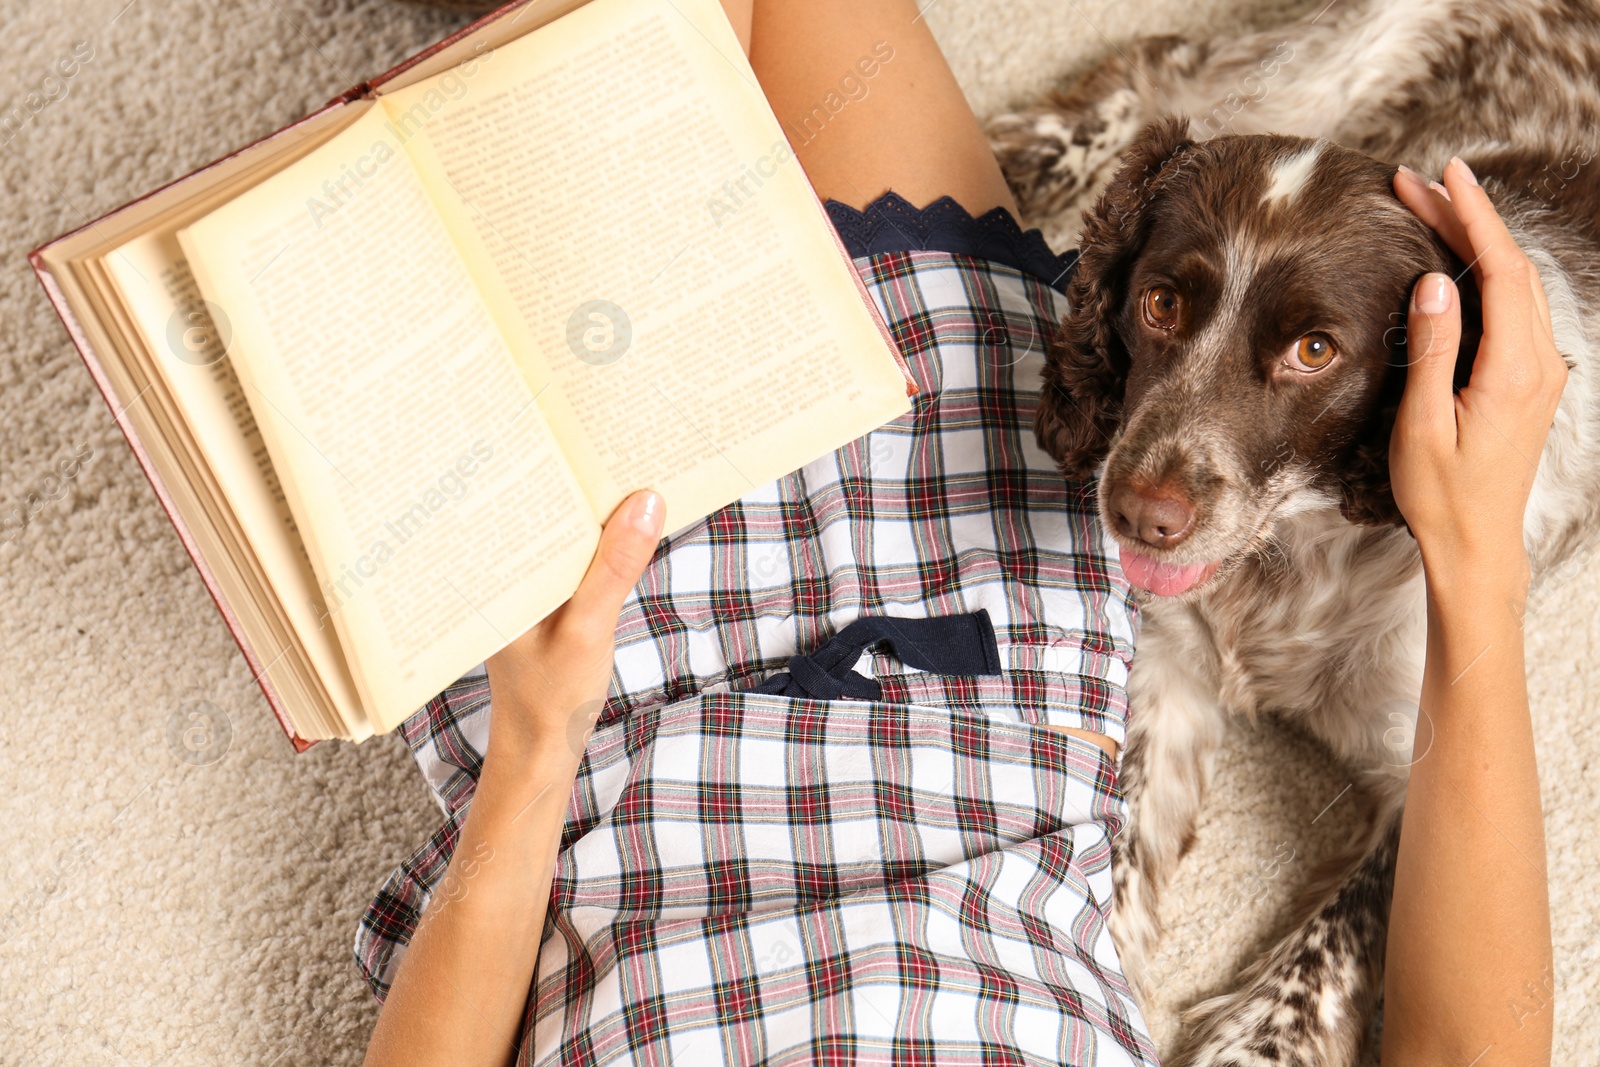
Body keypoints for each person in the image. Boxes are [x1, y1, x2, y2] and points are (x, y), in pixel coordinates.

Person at [357, 1, 1561, 1063]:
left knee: (459, 166)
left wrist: (528, 762)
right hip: (986, 645)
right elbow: (1471, 1045)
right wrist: (1472, 556)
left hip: (610, 717)